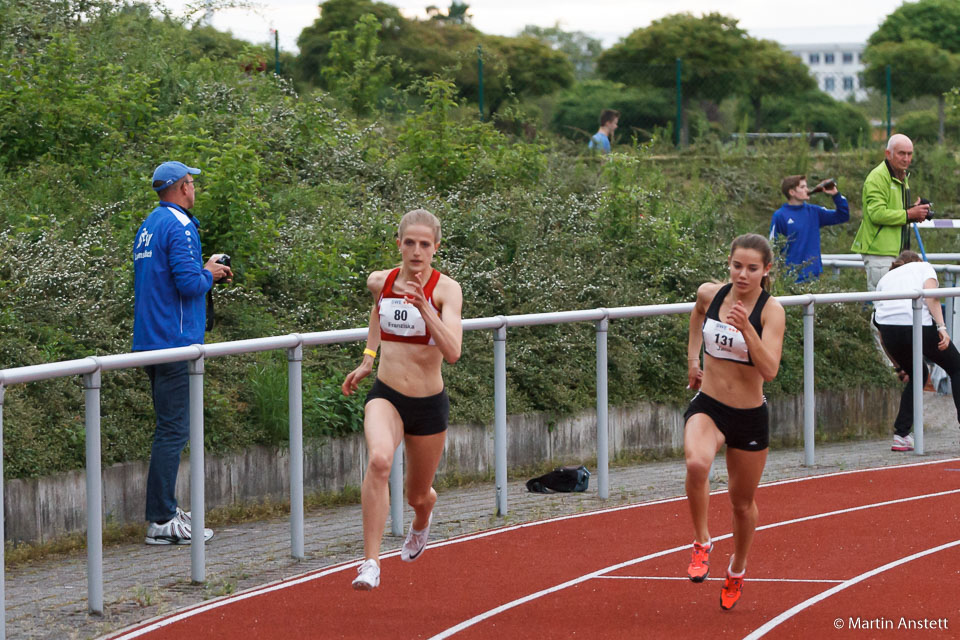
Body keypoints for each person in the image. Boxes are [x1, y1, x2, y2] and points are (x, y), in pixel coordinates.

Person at [342, 208, 463, 590]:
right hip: (387, 395)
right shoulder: (381, 281)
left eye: (424, 244)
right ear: (399, 243)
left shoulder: (447, 290)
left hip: (428, 405)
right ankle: (371, 563)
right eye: (409, 242)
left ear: (435, 248)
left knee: (416, 494)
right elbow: (376, 315)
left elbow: (454, 351)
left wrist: (425, 307)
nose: (416, 251)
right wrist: (368, 359)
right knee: (379, 460)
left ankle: (423, 518)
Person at [683, 233, 785, 610]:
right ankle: (701, 541)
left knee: (742, 504)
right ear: (728, 263)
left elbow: (770, 369)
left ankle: (737, 569)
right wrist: (694, 359)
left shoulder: (771, 311)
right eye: (737, 266)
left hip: (748, 416)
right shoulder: (712, 294)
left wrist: (747, 330)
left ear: (766, 270)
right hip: (709, 404)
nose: (743, 275)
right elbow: (696, 313)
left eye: (752, 269)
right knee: (696, 463)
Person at [133, 161, 232, 545]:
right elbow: (190, 283)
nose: (194, 189)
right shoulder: (180, 225)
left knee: (169, 429)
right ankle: (161, 519)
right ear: (181, 188)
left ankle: (167, 510)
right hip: (175, 342)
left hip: (150, 340)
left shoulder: (149, 225)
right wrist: (211, 272)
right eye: (191, 183)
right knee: (173, 431)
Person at [873, 250, 960, 452]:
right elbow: (931, 296)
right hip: (915, 323)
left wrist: (897, 366)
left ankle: (901, 434)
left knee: (917, 374)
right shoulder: (923, 267)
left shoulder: (885, 279)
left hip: (889, 330)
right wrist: (941, 327)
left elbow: (879, 329)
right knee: (956, 368)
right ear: (918, 260)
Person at [851, 134, 931, 291]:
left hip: (896, 253)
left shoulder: (901, 175)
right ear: (888, 154)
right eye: (902, 153)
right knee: (882, 306)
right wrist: (909, 214)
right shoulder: (877, 178)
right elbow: (876, 214)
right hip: (880, 253)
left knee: (896, 305)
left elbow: (894, 211)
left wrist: (913, 211)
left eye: (910, 154)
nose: (906, 159)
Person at [769, 175, 849, 282]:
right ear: (792, 192)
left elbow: (842, 216)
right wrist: (773, 274)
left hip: (813, 277)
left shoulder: (814, 211)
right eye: (802, 187)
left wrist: (836, 195)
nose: (807, 189)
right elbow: (773, 246)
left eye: (806, 186)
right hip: (789, 278)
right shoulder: (780, 216)